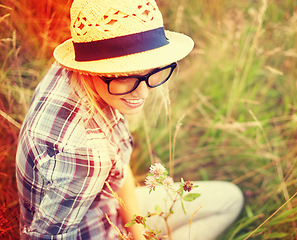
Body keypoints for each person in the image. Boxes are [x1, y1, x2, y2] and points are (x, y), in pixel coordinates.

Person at [15, 0, 244, 239]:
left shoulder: (71, 71)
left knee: (230, 199)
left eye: (151, 70)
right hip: (96, 232)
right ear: (90, 70)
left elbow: (119, 171)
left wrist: (138, 233)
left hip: (109, 207)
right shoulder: (85, 152)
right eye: (125, 76)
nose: (143, 93)